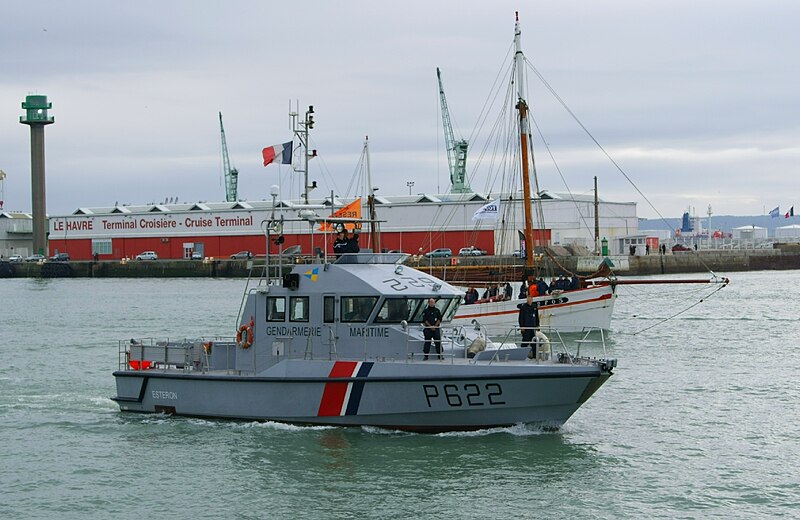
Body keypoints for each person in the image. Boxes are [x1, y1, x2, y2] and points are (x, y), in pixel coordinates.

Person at [518, 295, 540, 359]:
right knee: (525, 341)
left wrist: (538, 325)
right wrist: (522, 327)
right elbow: (521, 318)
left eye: (530, 299)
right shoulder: (523, 307)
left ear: (532, 299)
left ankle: (535, 356)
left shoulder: (534, 307)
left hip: (533, 327)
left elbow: (536, 316)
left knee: (534, 342)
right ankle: (521, 356)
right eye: (528, 299)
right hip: (526, 327)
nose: (529, 300)